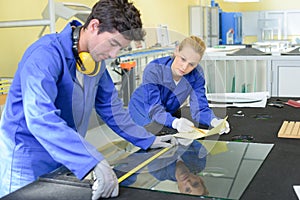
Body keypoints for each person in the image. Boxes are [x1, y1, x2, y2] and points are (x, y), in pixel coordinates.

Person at [0, 0, 177, 199]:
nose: (113, 55)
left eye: (120, 49)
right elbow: (41, 118)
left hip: (65, 158)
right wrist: (90, 160)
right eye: (113, 44)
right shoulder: (44, 55)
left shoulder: (95, 62)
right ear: (94, 26)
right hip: (27, 162)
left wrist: (147, 139)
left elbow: (111, 108)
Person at [128, 36, 230, 135]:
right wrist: (175, 122)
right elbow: (154, 109)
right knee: (148, 142)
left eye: (192, 64)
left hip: (166, 114)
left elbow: (199, 109)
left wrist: (214, 121)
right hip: (141, 111)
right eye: (183, 59)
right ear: (176, 51)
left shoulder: (197, 75)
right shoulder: (154, 70)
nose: (185, 67)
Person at [114, 139, 209, 196]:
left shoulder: (160, 173)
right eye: (195, 184)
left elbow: (148, 152)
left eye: (187, 189)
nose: (188, 183)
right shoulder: (199, 162)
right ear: (199, 179)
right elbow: (194, 140)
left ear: (180, 190)